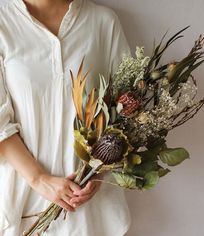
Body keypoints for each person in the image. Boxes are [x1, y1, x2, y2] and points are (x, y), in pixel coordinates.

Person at [0, 0, 131, 235]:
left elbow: (128, 108)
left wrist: (96, 175)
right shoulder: (3, 21)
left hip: (92, 210)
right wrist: (39, 179)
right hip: (24, 206)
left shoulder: (102, 22)